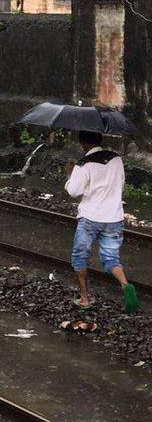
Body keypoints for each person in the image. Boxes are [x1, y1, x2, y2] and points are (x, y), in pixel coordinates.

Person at [65, 130, 139, 321]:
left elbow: (74, 191)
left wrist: (70, 175)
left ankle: (84, 299)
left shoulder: (83, 164)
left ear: (83, 143)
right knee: (110, 258)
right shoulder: (116, 159)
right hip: (114, 217)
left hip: (91, 217)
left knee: (80, 257)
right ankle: (125, 286)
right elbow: (120, 185)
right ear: (100, 139)